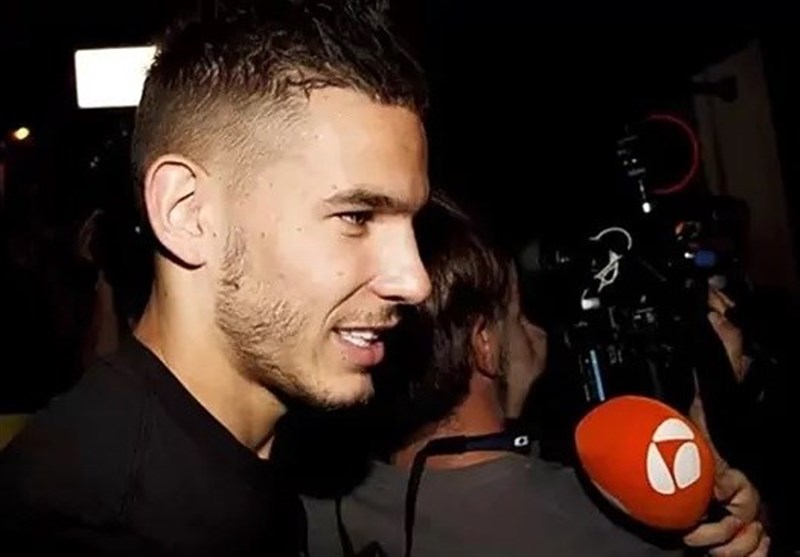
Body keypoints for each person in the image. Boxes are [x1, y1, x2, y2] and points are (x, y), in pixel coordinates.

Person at [0, 2, 431, 554]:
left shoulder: (251, 454)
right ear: (187, 213)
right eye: (357, 216)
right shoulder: (97, 525)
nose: (415, 281)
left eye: (412, 224)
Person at [300, 192, 769, 557]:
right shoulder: (604, 525)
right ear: (483, 344)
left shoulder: (318, 511)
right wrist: (709, 440)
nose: (538, 334)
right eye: (518, 317)